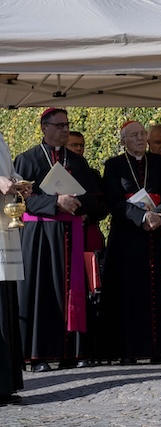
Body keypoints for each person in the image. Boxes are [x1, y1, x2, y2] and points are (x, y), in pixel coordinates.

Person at [13, 108, 104, 372]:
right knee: (41, 293)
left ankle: (71, 352)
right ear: (44, 127)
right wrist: (56, 202)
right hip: (39, 236)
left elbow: (95, 199)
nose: (65, 130)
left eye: (67, 125)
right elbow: (20, 200)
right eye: (60, 125)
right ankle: (38, 355)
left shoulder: (76, 162)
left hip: (70, 236)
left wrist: (76, 203)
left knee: (71, 292)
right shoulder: (27, 160)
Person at [100, 121, 161, 364]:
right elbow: (113, 201)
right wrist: (142, 217)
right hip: (127, 238)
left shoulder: (158, 163)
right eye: (134, 135)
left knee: (158, 291)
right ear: (123, 141)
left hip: (156, 234)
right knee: (129, 295)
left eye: (143, 134)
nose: (140, 138)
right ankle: (129, 350)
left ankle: (160, 349)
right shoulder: (113, 166)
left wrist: (157, 217)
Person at [0, 132, 25, 405]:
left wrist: (17, 181)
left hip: (4, 226)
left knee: (6, 305)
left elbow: (6, 170)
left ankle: (6, 383)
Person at [67, 130, 106, 253]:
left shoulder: (92, 175)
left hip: (89, 230)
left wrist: (87, 216)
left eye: (81, 145)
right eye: (74, 145)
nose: (79, 148)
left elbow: (103, 205)